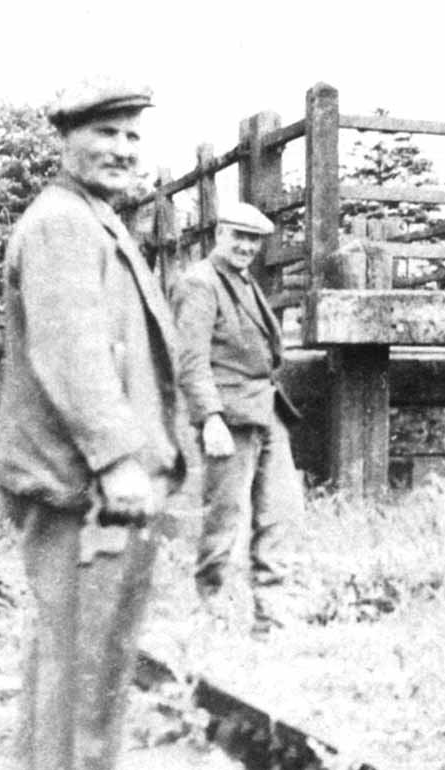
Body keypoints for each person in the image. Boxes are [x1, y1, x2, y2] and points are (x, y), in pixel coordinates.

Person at [0, 79, 185, 770]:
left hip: (79, 478)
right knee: (94, 646)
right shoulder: (65, 224)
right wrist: (116, 460)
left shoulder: (88, 219)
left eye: (133, 136)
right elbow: (73, 353)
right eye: (106, 132)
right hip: (86, 482)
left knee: (70, 642)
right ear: (65, 141)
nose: (123, 148)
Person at [172, 202, 303, 637]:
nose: (246, 246)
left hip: (267, 409)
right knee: (225, 516)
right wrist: (210, 418)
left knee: (279, 515)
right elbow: (191, 360)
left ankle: (272, 620)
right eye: (238, 236)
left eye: (254, 239)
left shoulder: (245, 282)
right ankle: (213, 616)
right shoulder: (199, 284)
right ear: (219, 235)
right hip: (229, 417)